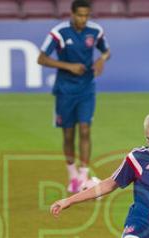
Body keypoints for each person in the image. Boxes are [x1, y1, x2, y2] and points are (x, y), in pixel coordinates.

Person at [38, 0, 111, 194]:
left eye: (86, 15)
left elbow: (106, 51)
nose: (83, 19)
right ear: (72, 14)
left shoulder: (95, 31)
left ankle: (83, 176)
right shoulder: (59, 32)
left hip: (86, 88)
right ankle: (72, 176)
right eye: (79, 15)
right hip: (65, 90)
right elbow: (41, 58)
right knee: (68, 134)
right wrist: (69, 66)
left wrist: (101, 60)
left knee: (85, 129)